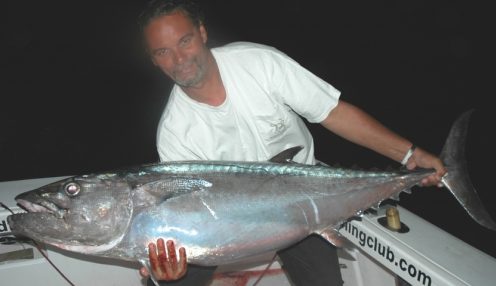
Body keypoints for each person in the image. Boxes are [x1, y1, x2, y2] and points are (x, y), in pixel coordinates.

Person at [136, 0, 447, 285]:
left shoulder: (258, 63)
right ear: (153, 60)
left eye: (184, 41)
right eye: (162, 52)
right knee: (163, 282)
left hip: (306, 199)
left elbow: (332, 113)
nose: (178, 59)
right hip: (229, 223)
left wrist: (410, 153)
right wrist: (171, 265)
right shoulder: (175, 132)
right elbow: (188, 213)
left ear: (202, 33)